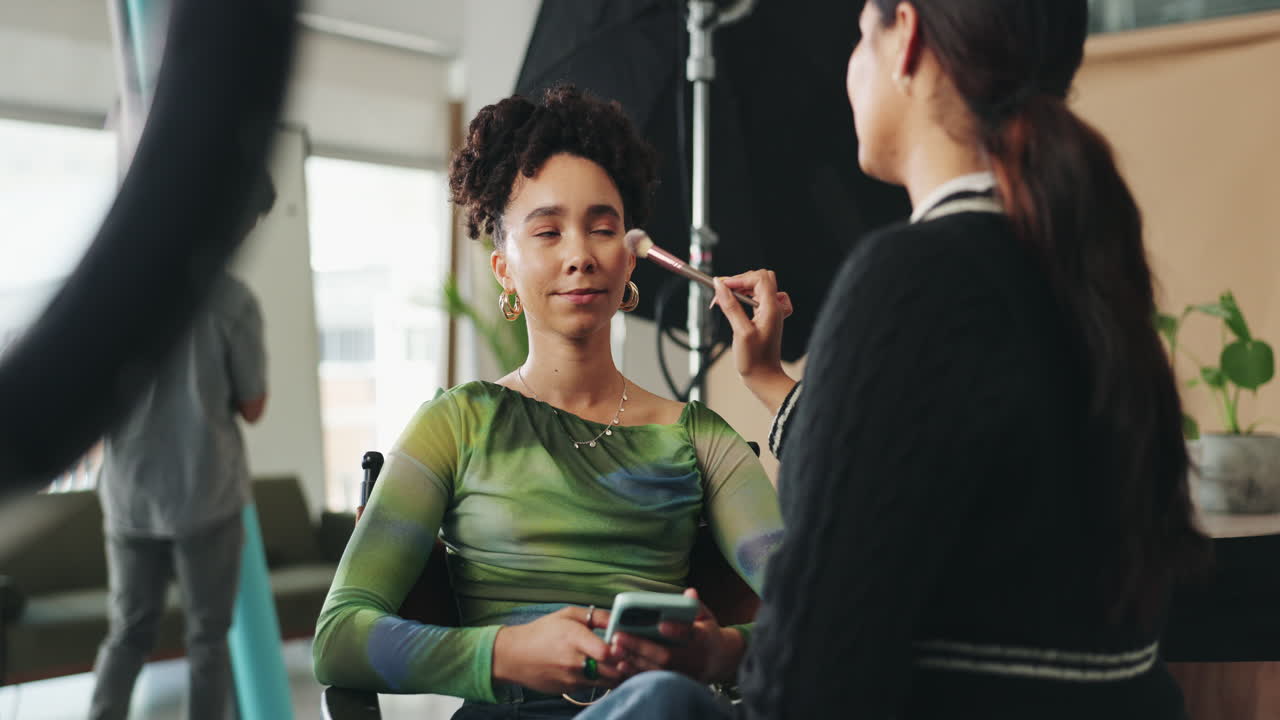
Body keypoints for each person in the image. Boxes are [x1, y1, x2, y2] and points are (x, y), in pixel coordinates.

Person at [577, 1, 1211, 718]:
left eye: (859, 35)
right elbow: (935, 484)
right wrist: (771, 383)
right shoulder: (1083, 271)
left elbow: (813, 678)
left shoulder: (914, 276)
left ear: (903, 36)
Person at [311, 85, 784, 718]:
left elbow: (817, 612)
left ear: (629, 259)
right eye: (548, 231)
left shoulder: (701, 439)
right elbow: (338, 637)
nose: (580, 255)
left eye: (603, 228)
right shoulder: (456, 424)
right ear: (504, 267)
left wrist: (720, 654)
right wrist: (506, 653)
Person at [90, 175, 274, 720]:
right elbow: (253, 406)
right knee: (208, 641)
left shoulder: (118, 290)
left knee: (127, 634)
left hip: (129, 497)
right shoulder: (232, 300)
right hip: (205, 495)